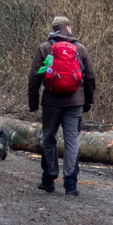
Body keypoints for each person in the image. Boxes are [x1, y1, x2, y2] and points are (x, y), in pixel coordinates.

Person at [28, 15, 95, 196]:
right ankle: (71, 185)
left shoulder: (45, 48)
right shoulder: (80, 49)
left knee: (49, 138)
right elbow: (90, 78)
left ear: (54, 29)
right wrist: (87, 102)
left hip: (51, 103)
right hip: (74, 103)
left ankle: (49, 180)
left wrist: (33, 103)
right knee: (71, 140)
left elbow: (34, 76)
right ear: (68, 28)